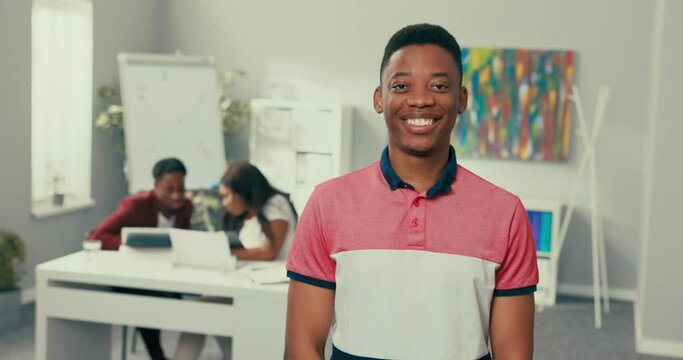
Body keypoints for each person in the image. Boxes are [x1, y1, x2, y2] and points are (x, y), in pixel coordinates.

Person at [285, 24, 538, 360]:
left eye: (439, 85)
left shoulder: (505, 213)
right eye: (402, 86)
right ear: (380, 99)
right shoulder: (327, 203)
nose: (420, 99)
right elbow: (302, 347)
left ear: (461, 99)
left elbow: (514, 355)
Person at [174, 161, 298, 360]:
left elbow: (269, 252)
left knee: (203, 310)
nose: (223, 203)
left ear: (243, 191)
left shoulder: (275, 204)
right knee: (201, 311)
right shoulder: (244, 215)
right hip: (245, 286)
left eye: (226, 196)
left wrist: (225, 252)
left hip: (272, 290)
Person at [90, 157, 192, 360]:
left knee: (195, 310)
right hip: (133, 277)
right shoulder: (134, 205)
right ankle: (158, 355)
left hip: (168, 276)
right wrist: (136, 244)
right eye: (169, 189)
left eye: (181, 189)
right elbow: (98, 236)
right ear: (155, 186)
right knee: (148, 302)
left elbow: (184, 240)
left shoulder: (186, 207)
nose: (176, 196)